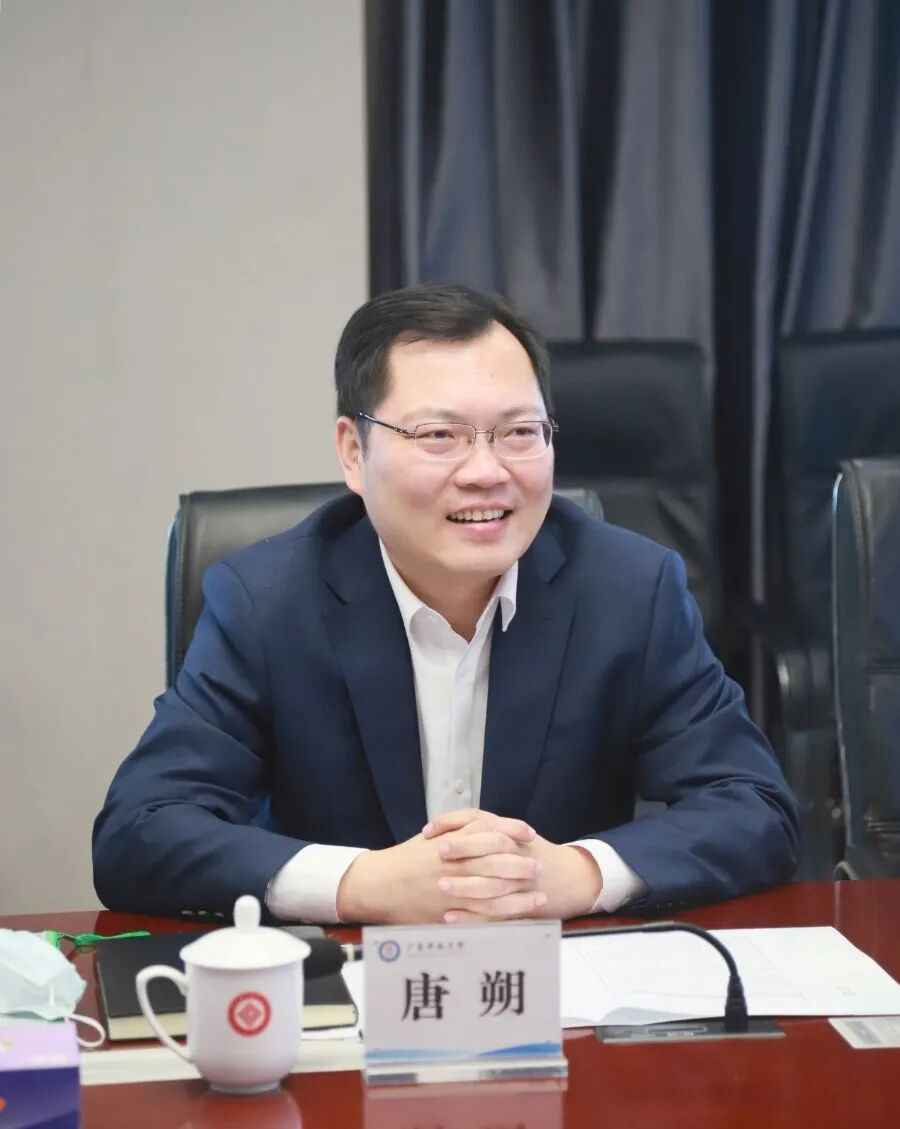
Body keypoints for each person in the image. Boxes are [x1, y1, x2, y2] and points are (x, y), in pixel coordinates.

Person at [92, 283, 799, 924]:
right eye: (439, 436)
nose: (486, 472)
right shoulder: (267, 602)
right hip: (346, 992)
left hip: (565, 989)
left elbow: (754, 806)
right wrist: (361, 883)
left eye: (519, 432)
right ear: (352, 451)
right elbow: (139, 830)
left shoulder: (629, 590)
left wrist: (578, 874)